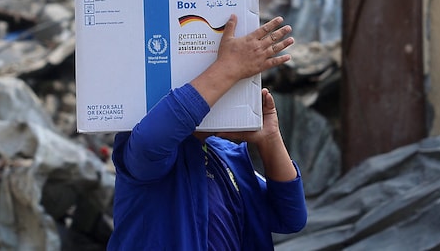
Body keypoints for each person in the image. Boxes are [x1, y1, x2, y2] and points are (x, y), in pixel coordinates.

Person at [107, 14, 308, 250]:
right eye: (218, 80)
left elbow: (290, 217)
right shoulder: (144, 153)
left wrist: (270, 137)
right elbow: (152, 140)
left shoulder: (227, 156)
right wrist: (228, 68)